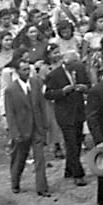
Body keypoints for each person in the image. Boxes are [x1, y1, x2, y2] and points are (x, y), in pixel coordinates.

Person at [43, 49, 90, 186]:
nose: (78, 65)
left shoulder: (80, 70)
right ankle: (78, 174)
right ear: (67, 63)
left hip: (78, 111)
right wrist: (62, 92)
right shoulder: (54, 75)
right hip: (64, 113)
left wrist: (84, 88)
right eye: (75, 63)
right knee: (71, 143)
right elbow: (47, 94)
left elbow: (88, 84)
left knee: (77, 142)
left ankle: (69, 169)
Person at [4, 59, 50, 196]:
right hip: (21, 130)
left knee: (40, 158)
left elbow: (42, 105)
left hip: (37, 127)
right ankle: (15, 182)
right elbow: (10, 113)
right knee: (19, 158)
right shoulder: (11, 90)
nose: (27, 72)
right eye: (23, 70)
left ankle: (42, 188)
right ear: (17, 72)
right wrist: (14, 133)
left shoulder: (36, 83)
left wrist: (45, 124)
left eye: (28, 69)